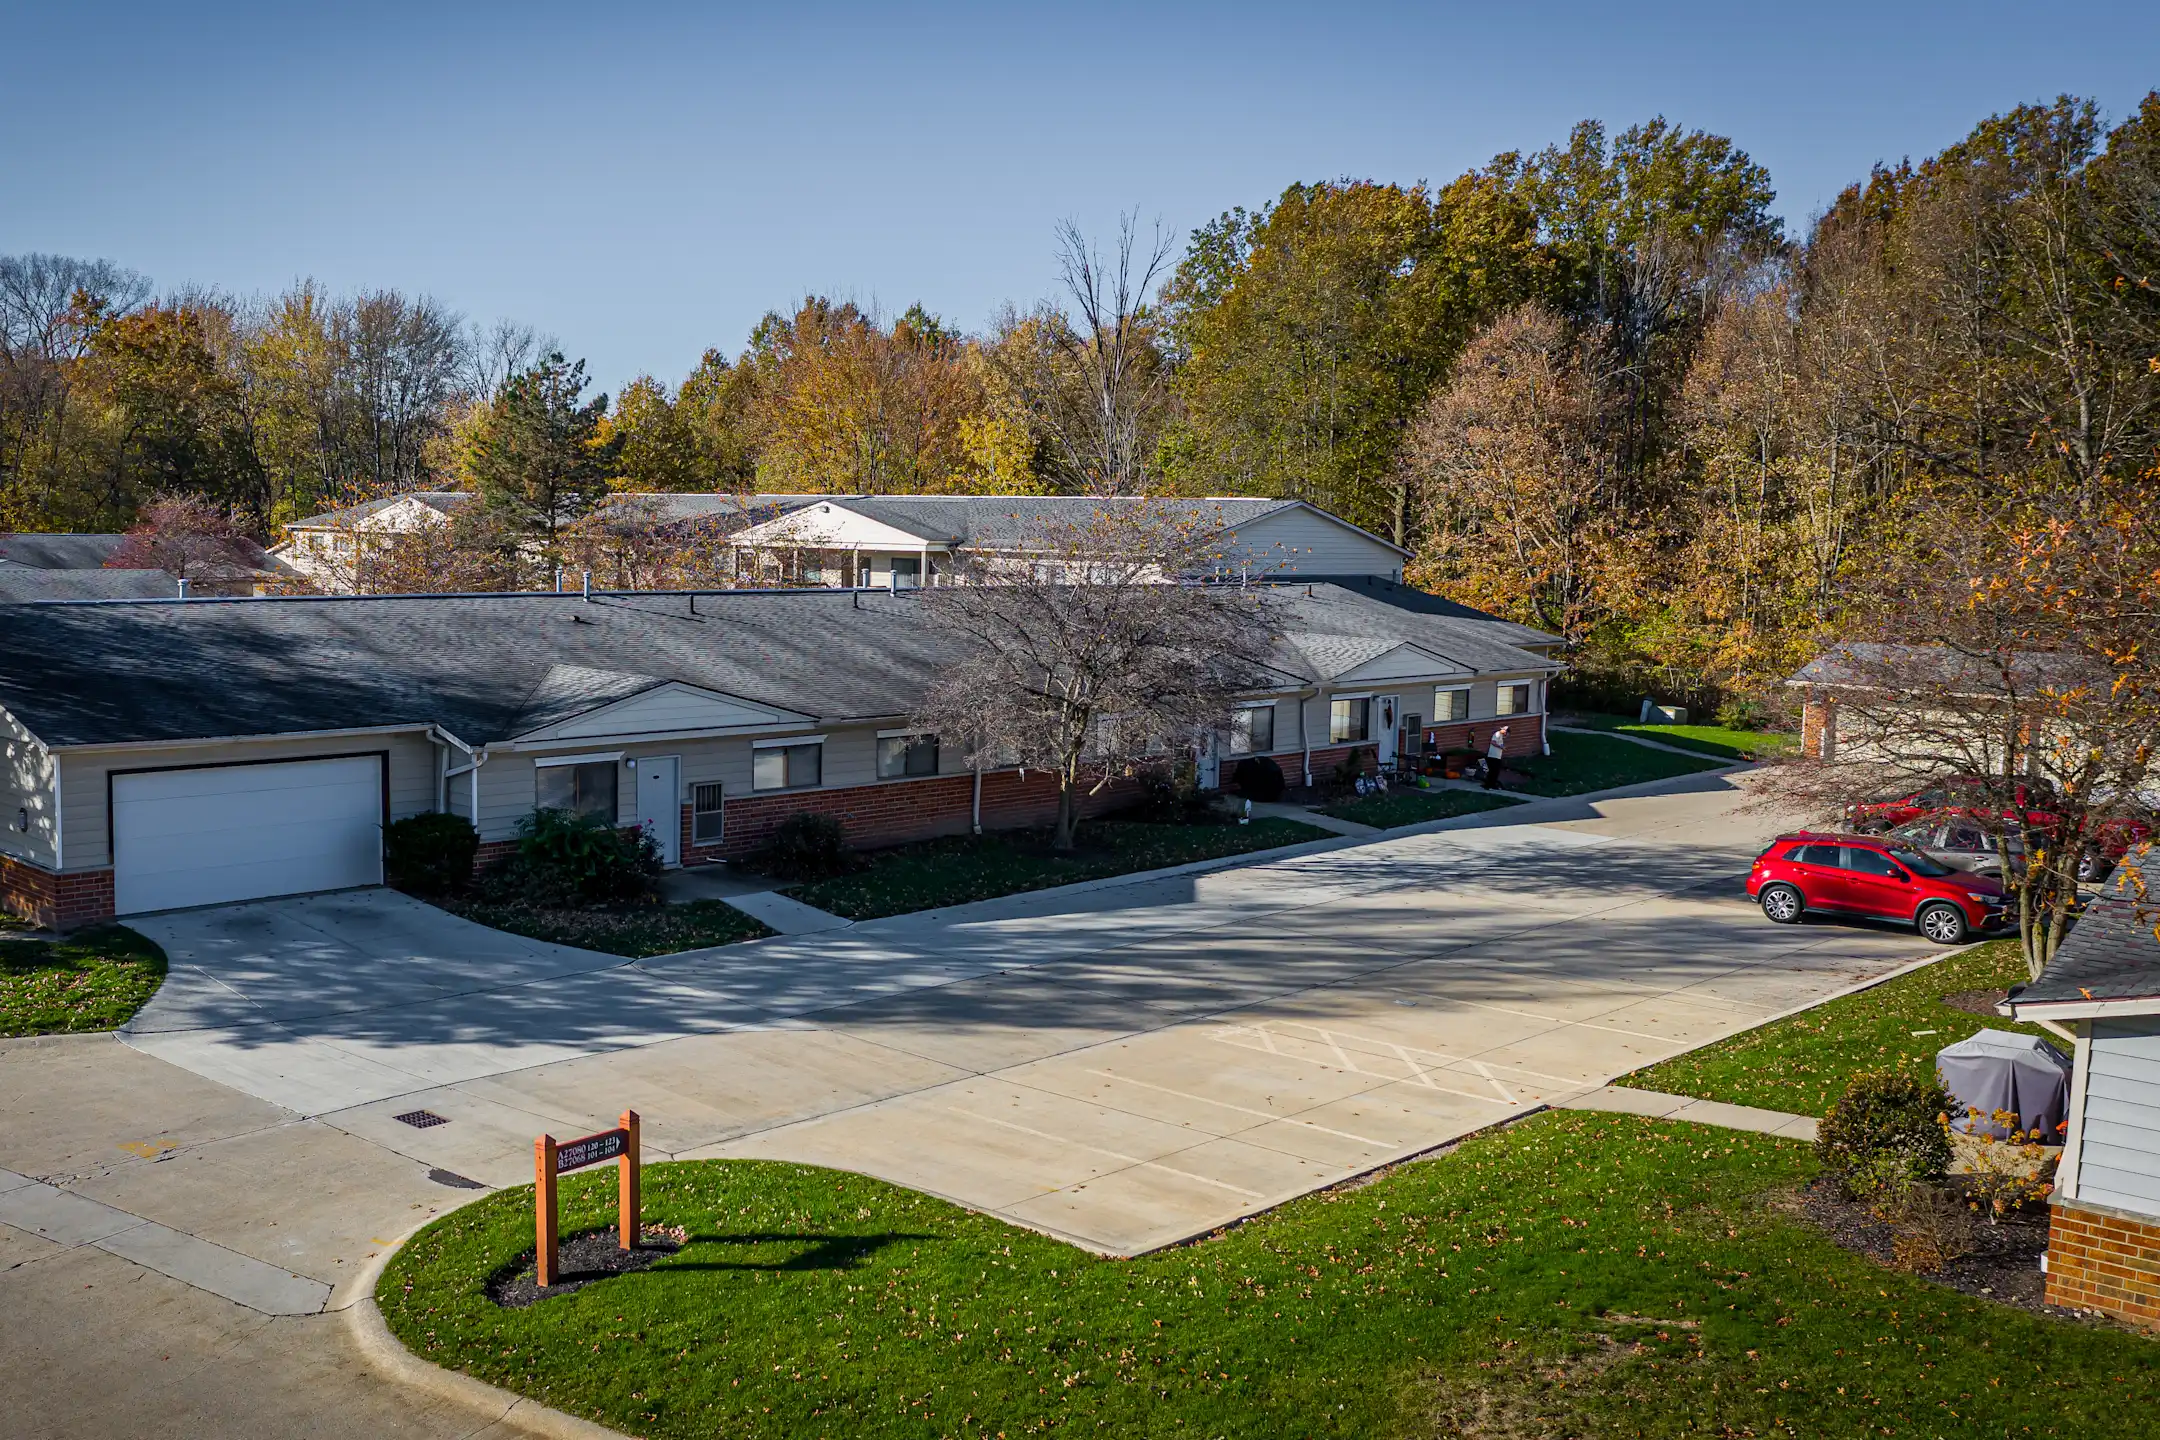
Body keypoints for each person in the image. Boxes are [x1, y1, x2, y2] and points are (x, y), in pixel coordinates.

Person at [1482, 725, 1510, 790]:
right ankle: (1488, 785)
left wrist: (1503, 747)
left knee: (1496, 771)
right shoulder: (1497, 734)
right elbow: (1492, 742)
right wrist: (1501, 747)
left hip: (1497, 756)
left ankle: (1493, 785)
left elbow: (1500, 744)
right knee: (1492, 771)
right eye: (1506, 732)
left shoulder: (1501, 736)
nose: (1505, 734)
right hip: (1493, 756)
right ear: (1504, 730)